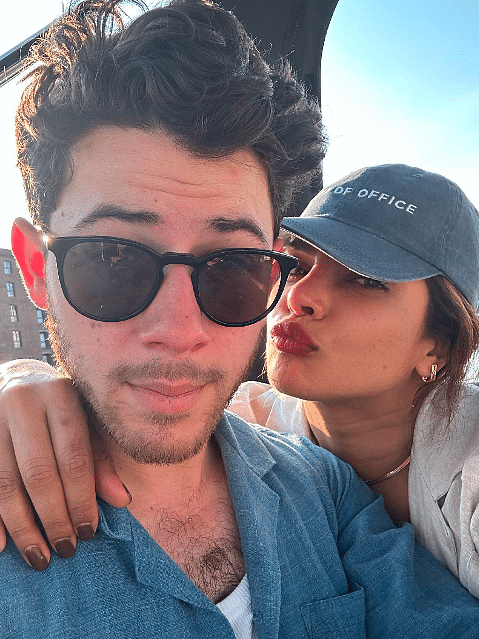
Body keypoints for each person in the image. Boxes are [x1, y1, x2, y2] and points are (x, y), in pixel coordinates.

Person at [1, 0, 479, 636]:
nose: (180, 332)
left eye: (232, 267)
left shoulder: (324, 488)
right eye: (114, 259)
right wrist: (20, 377)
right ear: (37, 268)